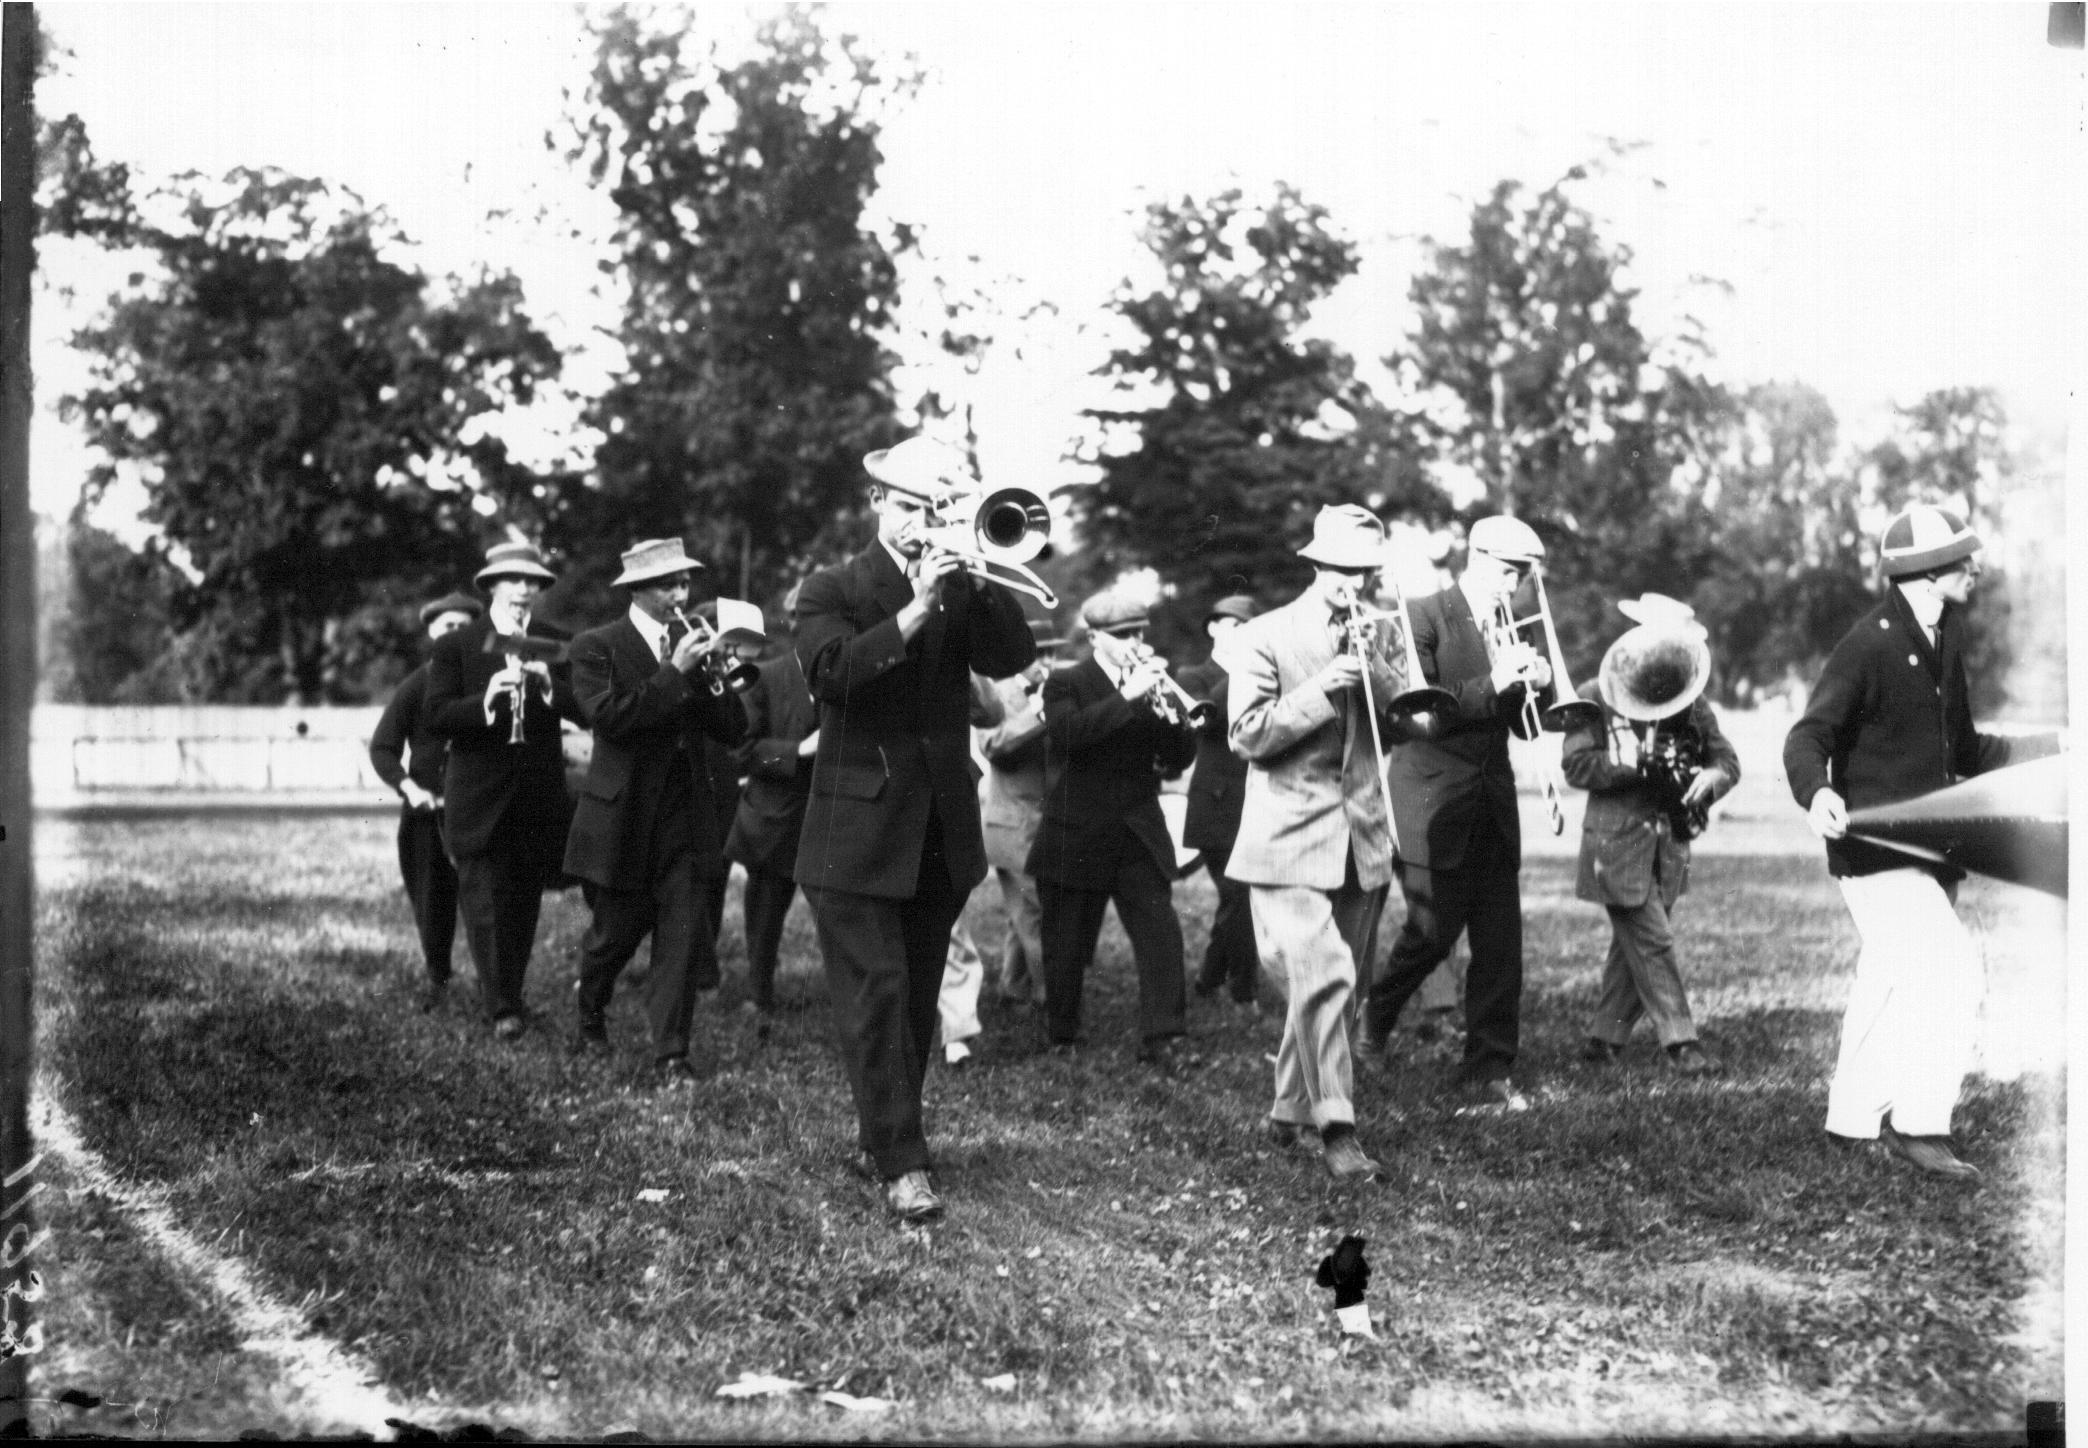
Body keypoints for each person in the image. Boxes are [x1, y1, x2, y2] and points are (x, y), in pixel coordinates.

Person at [793, 437, 1036, 1224]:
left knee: (917, 998)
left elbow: (1014, 654)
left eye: (933, 505)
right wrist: (918, 605)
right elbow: (832, 675)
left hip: (938, 827)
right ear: (875, 505)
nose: (919, 518)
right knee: (878, 995)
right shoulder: (831, 587)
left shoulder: (958, 584)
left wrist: (979, 572)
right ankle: (903, 1158)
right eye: (906, 503)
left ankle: (886, 1134)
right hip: (854, 830)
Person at [1784, 504, 2060, 1180]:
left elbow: (1967, 749)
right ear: (1924, 572)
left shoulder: (1945, 638)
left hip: (1931, 855)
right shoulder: (1870, 644)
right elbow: (1807, 735)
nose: (1976, 566)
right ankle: (1919, 1126)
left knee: (1888, 979)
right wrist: (1817, 792)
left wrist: (2059, 744)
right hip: (1875, 855)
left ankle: (1849, 1124)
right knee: (1952, 971)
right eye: (1963, 559)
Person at [1224, 505, 1410, 1182]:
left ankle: (1286, 1110)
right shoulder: (1266, 635)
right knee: (1325, 971)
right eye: (1342, 572)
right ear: (1315, 566)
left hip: (1361, 835)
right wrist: (1320, 690)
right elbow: (1246, 736)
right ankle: (1337, 1126)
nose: (1354, 587)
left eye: (1366, 575)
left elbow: (1408, 724)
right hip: (1286, 835)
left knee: (1337, 984)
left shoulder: (1380, 632)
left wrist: (1377, 670)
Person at [1361, 514, 1558, 1109]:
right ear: (1475, 558)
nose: (1512, 585)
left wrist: (1541, 688)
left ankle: (1488, 1068)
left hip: (1491, 803)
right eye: (1504, 571)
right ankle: (1368, 1026)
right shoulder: (1420, 614)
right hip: (1430, 799)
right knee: (1429, 934)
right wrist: (1494, 683)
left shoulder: (1515, 628)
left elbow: (1525, 731)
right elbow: (1417, 715)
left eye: (1521, 575)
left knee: (1500, 943)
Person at [561, 538, 751, 1085]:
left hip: (686, 816)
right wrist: (674, 672)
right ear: (638, 591)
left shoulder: (693, 641)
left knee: (684, 935)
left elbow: (733, 730)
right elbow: (613, 720)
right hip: (624, 818)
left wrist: (717, 675)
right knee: (612, 937)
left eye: (684, 583)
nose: (680, 594)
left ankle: (672, 1053)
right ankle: (590, 1018)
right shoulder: (595, 646)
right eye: (668, 584)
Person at [1560, 594, 1739, 1075]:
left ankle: (1603, 1042)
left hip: (1669, 844)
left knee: (1632, 946)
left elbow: (1727, 761)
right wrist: (1634, 763)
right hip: (1616, 844)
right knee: (1653, 939)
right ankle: (1681, 1041)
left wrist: (1713, 779)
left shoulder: (1691, 701)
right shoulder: (1593, 694)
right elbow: (1577, 766)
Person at [1027, 589, 1198, 1065]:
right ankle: (1062, 1034)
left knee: (1160, 931)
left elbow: (1178, 757)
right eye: (1122, 635)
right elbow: (1065, 739)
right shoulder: (1066, 682)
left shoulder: (1152, 681)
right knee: (1066, 941)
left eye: (1139, 632)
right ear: (1095, 636)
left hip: (1137, 828)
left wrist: (1176, 719)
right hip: (1077, 828)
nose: (1134, 642)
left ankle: (1166, 1036)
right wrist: (1128, 697)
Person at [424, 542, 582, 1041]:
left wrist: (552, 689)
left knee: (521, 903)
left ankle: (510, 993)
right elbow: (437, 716)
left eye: (533, 582)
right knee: (485, 906)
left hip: (536, 797)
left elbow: (585, 708)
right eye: (513, 579)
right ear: (491, 585)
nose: (524, 590)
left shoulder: (557, 643)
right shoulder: (458, 645)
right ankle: (501, 1008)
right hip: (478, 798)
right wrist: (485, 703)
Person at [368, 590, 483, 1012]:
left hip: (479, 810)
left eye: (464, 627)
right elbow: (383, 747)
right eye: (446, 627)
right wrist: (410, 788)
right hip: (427, 811)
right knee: (432, 900)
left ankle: (498, 990)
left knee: (486, 902)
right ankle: (438, 980)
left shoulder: (490, 680)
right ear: (432, 633)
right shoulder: (419, 684)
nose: (455, 634)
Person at [724, 582, 818, 1015]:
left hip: (834, 820)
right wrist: (797, 751)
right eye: (810, 616)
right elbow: (742, 750)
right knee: (764, 915)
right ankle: (759, 993)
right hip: (776, 820)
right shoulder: (768, 676)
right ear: (794, 622)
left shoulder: (856, 675)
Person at [1179, 593, 1261, 1009]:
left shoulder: (1263, 672)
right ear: (1213, 627)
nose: (1241, 635)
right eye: (1233, 625)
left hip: (1258, 802)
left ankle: (1211, 977)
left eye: (1249, 627)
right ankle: (1242, 987)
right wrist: (1246, 665)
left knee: (1239, 896)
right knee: (1239, 894)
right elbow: (1209, 719)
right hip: (1216, 805)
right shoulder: (1192, 675)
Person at [976, 621, 1063, 1006]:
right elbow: (993, 745)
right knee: (1035, 914)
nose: (1047, 662)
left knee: (1023, 913)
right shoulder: (996, 694)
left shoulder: (1054, 690)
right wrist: (1040, 715)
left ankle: (1012, 987)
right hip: (1012, 825)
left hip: (1045, 823)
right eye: (1039, 654)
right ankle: (1051, 1000)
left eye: (1052, 653)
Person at [932, 671, 1008, 1068]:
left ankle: (957, 1033)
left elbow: (990, 710)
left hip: (942, 800)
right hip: (881, 802)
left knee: (949, 925)